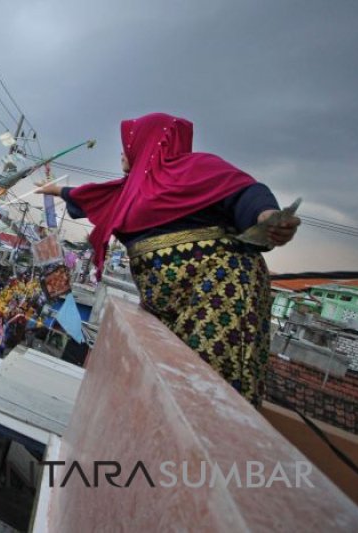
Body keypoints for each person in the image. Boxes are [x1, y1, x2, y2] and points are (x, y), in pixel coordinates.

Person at [36, 113, 300, 404]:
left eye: (129, 143)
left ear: (150, 142)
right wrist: (53, 189)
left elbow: (245, 193)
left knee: (202, 392)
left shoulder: (196, 168)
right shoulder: (128, 192)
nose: (123, 152)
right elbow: (89, 196)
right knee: (161, 386)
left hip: (221, 293)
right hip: (170, 306)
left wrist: (267, 217)